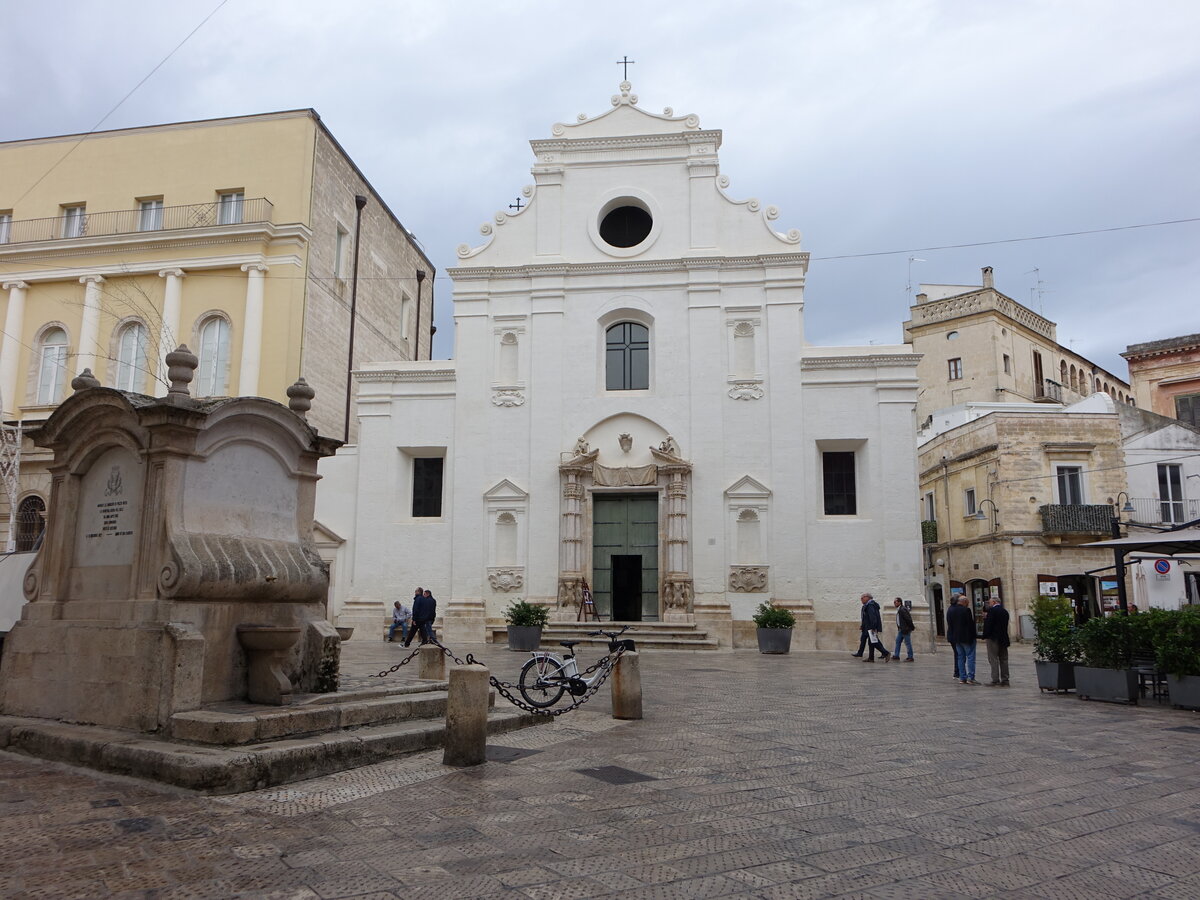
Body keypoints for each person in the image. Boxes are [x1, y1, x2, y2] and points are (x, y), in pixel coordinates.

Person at [947, 596, 978, 684]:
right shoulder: (966, 610)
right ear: (964, 602)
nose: (968, 604)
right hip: (967, 638)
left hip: (957, 638)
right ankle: (971, 677)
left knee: (960, 657)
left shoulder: (952, 610)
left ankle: (962, 677)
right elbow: (970, 625)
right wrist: (974, 636)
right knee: (970, 657)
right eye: (967, 602)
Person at [851, 593, 890, 661]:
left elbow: (873, 617)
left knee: (874, 642)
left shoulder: (870, 605)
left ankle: (885, 653)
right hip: (867, 627)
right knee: (869, 641)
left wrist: (873, 627)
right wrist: (863, 625)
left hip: (870, 627)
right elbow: (866, 617)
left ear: (867, 597)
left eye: (862, 598)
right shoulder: (868, 605)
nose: (861, 599)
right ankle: (870, 657)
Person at [981, 597, 1011, 686]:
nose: (989, 604)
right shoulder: (1004, 611)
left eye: (990, 602)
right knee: (1004, 659)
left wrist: (985, 635)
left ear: (994, 602)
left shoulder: (992, 611)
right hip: (1003, 637)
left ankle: (995, 679)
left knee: (993, 659)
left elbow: (989, 624)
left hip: (993, 638)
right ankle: (1005, 679)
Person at [888, 598, 915, 662]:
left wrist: (911, 627)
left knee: (907, 643)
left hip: (905, 629)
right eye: (894, 602)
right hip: (901, 629)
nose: (894, 603)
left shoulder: (902, 609)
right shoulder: (900, 609)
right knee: (898, 641)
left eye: (895, 602)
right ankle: (896, 655)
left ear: (899, 602)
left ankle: (910, 657)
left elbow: (908, 619)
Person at [947, 599, 960, 680]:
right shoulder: (956, 610)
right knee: (959, 655)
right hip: (956, 636)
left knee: (957, 654)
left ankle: (957, 672)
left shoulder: (950, 609)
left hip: (952, 635)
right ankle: (958, 672)